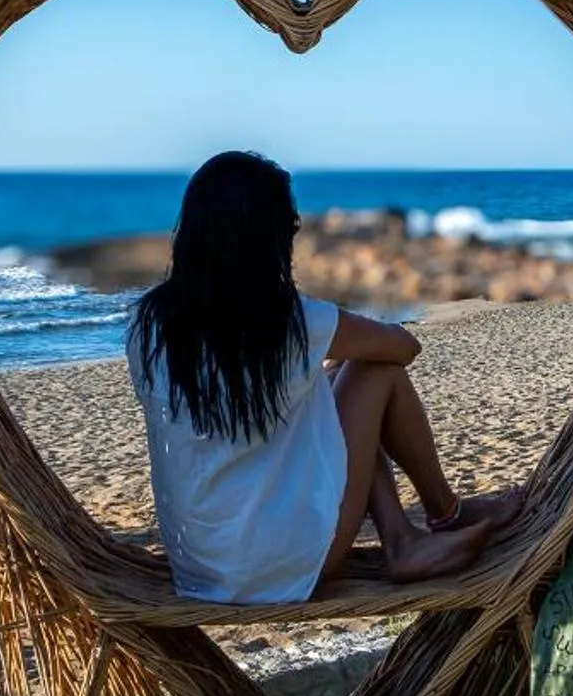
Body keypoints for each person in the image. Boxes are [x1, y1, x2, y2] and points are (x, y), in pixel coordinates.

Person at [127, 151, 516, 604]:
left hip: (200, 567)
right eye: (290, 226)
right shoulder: (287, 320)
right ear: (265, 237)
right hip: (286, 565)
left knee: (326, 388)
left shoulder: (149, 324)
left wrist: (319, 370)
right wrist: (334, 354)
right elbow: (403, 348)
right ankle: (443, 513)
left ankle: (405, 539)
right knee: (374, 369)